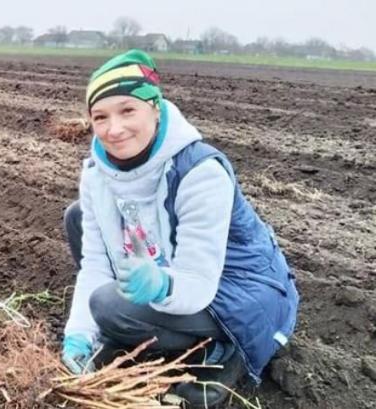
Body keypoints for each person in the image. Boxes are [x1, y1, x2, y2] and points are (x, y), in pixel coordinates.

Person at [59, 49, 298, 407]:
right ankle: (155, 334)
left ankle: (222, 350)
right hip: (171, 270)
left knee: (109, 306)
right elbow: (96, 263)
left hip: (238, 289)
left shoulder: (200, 172)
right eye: (100, 116)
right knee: (77, 218)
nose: (115, 129)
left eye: (128, 110)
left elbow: (199, 280)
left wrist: (160, 284)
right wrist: (78, 335)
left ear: (155, 107)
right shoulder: (97, 174)